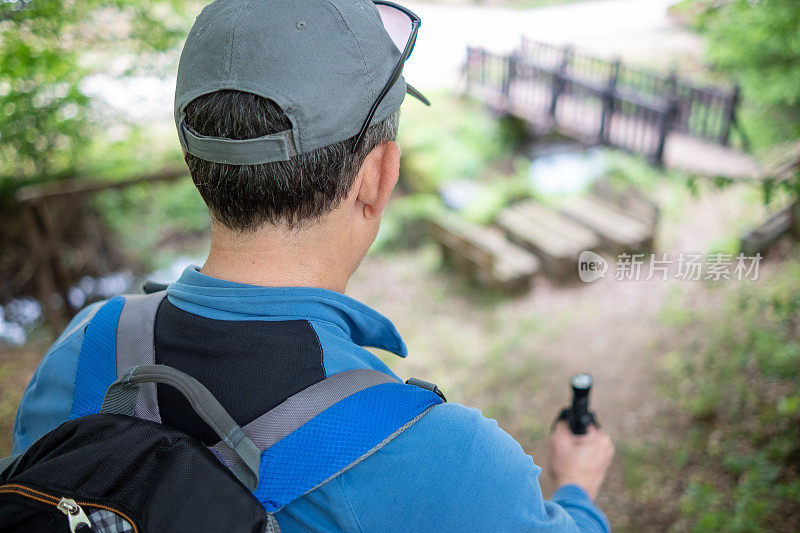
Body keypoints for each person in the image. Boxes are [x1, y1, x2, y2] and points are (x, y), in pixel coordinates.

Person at [11, 0, 614, 530]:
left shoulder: (81, 353)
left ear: (198, 163)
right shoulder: (448, 463)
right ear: (378, 176)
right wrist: (577, 489)